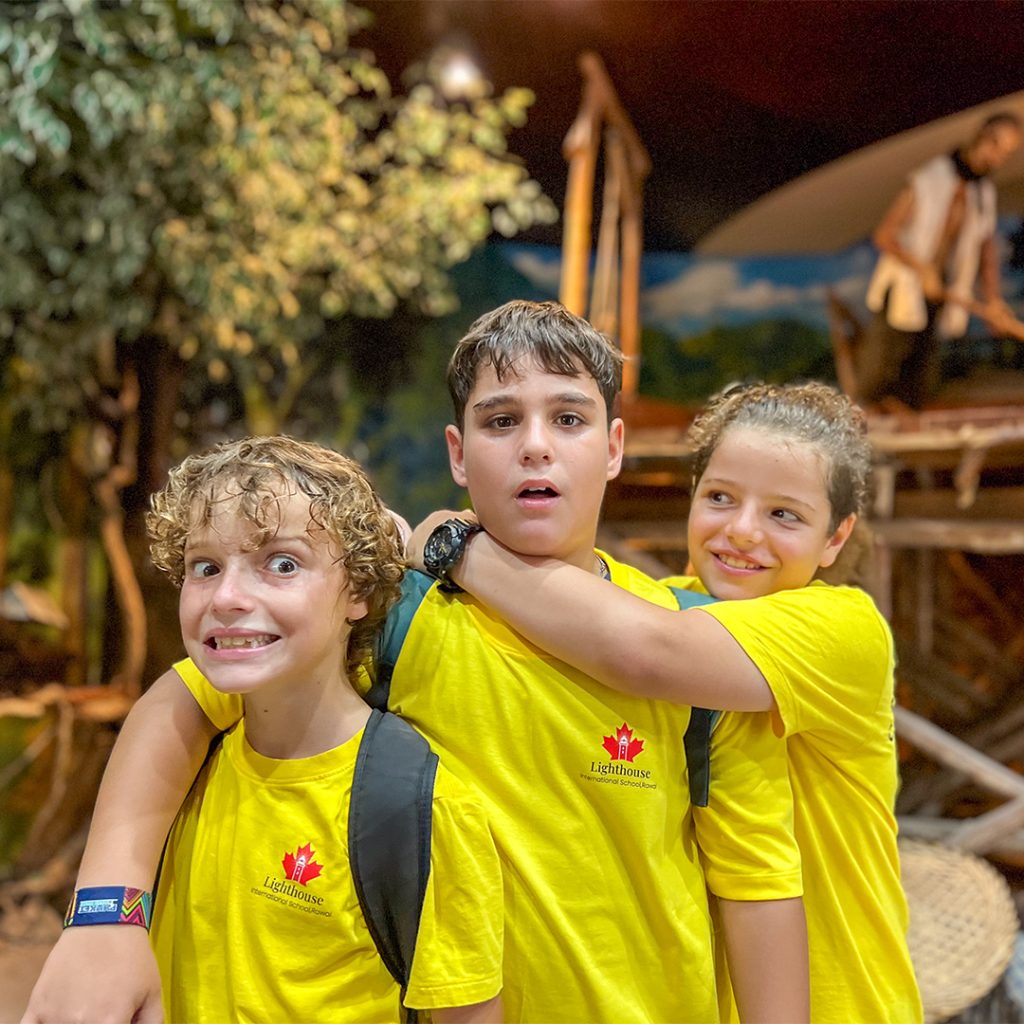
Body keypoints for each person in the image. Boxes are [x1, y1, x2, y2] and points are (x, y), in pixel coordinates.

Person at [24, 302, 808, 1024]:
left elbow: (757, 885)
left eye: (568, 418)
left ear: (613, 448)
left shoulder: (698, 653)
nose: (535, 444)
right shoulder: (394, 615)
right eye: (502, 420)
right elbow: (182, 704)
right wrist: (106, 913)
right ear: (458, 455)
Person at [405, 380, 923, 1024]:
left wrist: (456, 547)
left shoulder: (842, 627)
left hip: (844, 1005)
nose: (742, 531)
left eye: (784, 515)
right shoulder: (660, 601)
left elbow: (647, 649)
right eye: (720, 497)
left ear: (836, 538)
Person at [43, 437, 505, 1023]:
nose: (227, 597)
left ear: (359, 592)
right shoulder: (181, 768)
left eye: (282, 564)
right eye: (205, 567)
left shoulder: (426, 812)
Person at [859, 110, 1022, 408]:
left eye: (1007, 154)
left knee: (918, 373)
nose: (999, 158)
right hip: (903, 286)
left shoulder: (983, 193)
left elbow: (986, 248)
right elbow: (884, 235)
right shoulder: (928, 179)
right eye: (997, 146)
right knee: (881, 367)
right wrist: (922, 269)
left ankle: (907, 423)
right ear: (982, 136)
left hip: (939, 290)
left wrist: (994, 299)